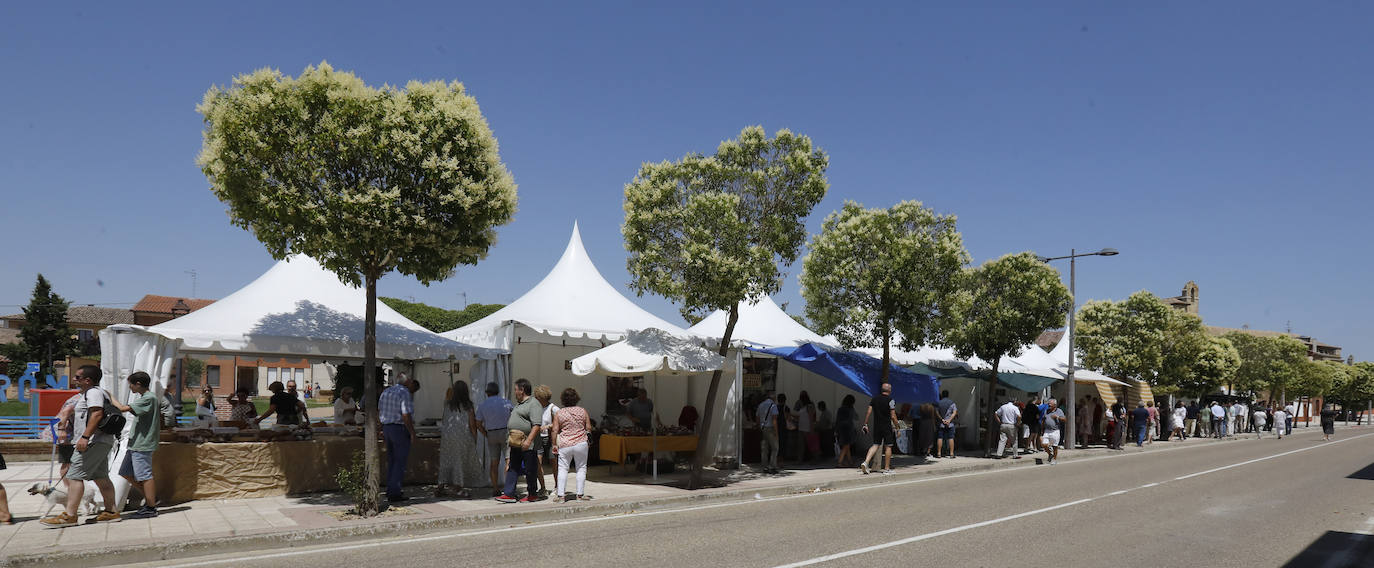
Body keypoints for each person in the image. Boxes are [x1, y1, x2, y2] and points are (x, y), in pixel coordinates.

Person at [41, 365, 121, 528]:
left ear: (87, 380)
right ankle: (111, 512)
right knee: (101, 477)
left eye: (77, 377)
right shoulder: (101, 392)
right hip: (102, 441)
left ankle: (70, 516)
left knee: (74, 476)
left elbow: (97, 414)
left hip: (92, 441)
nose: (73, 379)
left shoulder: (92, 393)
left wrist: (84, 437)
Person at [110, 371, 160, 518]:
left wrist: (109, 396)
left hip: (143, 444)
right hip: (135, 442)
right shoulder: (146, 398)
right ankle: (150, 497)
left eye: (131, 384)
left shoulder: (149, 398)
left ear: (138, 384)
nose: (130, 388)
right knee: (125, 472)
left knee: (145, 475)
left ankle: (151, 507)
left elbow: (122, 408)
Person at [497, 379, 543, 503]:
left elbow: (537, 424)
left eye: (516, 390)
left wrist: (528, 441)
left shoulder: (533, 403)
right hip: (516, 442)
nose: (515, 392)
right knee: (513, 467)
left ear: (522, 390)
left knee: (530, 469)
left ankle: (532, 494)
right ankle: (509, 494)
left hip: (528, 444)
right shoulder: (519, 404)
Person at [437, 382, 480, 499]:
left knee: (446, 461)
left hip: (447, 436)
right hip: (462, 437)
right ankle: (458, 488)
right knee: (459, 462)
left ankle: (440, 487)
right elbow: (472, 424)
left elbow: (443, 419)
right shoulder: (468, 405)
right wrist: (475, 437)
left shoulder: (447, 404)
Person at [551, 388, 593, 502]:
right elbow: (588, 428)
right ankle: (580, 495)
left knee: (563, 469)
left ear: (563, 400)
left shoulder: (560, 413)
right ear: (576, 398)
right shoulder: (582, 411)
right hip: (581, 443)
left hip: (565, 444)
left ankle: (560, 496)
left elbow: (555, 430)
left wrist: (554, 444)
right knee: (581, 468)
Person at [474, 382, 514, 492]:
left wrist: (485, 434)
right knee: (508, 460)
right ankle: (508, 488)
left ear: (487, 393)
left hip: (491, 433)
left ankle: (495, 488)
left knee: (494, 463)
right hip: (505, 432)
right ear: (498, 391)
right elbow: (514, 416)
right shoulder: (506, 402)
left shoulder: (482, 405)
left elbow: (478, 423)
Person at [859, 383, 898, 475]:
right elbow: (893, 416)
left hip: (877, 426)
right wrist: (897, 426)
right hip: (887, 426)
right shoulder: (891, 400)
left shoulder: (874, 399)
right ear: (889, 390)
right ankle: (887, 469)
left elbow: (869, 411)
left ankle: (866, 462)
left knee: (875, 444)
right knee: (888, 446)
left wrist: (865, 423)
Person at [533, 385, 556, 497]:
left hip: (550, 438)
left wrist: (547, 427)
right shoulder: (535, 408)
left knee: (554, 463)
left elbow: (559, 422)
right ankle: (543, 487)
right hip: (538, 438)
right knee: (538, 463)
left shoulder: (553, 408)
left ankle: (557, 486)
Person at [756, 391, 780, 474]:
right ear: (773, 398)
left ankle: (764, 466)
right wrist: (776, 433)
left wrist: (760, 427)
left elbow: (757, 418)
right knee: (775, 448)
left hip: (763, 428)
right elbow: (774, 420)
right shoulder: (773, 406)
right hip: (770, 428)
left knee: (764, 449)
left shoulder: (761, 405)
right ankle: (772, 466)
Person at [795, 391, 818, 462]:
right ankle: (800, 459)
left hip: (807, 428)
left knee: (810, 444)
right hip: (801, 428)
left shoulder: (809, 406)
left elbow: (811, 418)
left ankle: (814, 458)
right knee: (801, 445)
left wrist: (811, 429)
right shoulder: (803, 407)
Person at [1041, 399, 1066, 465]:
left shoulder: (1059, 411)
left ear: (1055, 405)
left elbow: (1064, 419)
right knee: (1043, 444)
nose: (1049, 405)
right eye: (1048, 403)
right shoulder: (1046, 411)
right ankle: (1050, 454)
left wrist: (1057, 417)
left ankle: (1054, 459)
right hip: (1047, 430)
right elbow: (1044, 419)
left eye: (1050, 404)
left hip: (1055, 430)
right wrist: (1042, 428)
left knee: (1055, 446)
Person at [833, 394, 856, 467]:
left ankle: (850, 461)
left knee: (846, 445)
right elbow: (855, 417)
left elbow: (838, 420)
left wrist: (836, 430)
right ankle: (840, 462)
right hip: (849, 428)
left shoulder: (841, 409)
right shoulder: (851, 409)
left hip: (842, 428)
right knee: (846, 445)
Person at [935, 390, 957, 458]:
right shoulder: (952, 403)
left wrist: (942, 420)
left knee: (940, 437)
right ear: (948, 395)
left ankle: (939, 453)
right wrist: (949, 420)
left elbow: (936, 412)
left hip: (941, 423)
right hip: (950, 424)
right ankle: (951, 453)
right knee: (951, 438)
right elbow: (955, 412)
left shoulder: (938, 403)